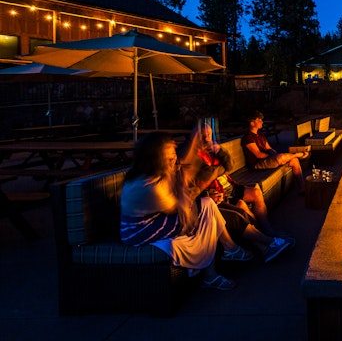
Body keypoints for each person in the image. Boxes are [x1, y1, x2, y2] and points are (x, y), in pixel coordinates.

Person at [119, 132, 251, 291]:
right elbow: (180, 208)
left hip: (155, 219)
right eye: (170, 157)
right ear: (155, 158)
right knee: (205, 212)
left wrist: (193, 150)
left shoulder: (150, 173)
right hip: (139, 231)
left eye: (174, 155)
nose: (174, 160)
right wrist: (189, 179)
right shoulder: (148, 187)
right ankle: (220, 262)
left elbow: (187, 174)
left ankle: (226, 254)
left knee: (208, 205)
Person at [180, 120, 293, 263]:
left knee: (255, 193)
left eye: (209, 134)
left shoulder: (210, 148)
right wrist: (219, 169)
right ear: (193, 136)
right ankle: (267, 243)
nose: (207, 138)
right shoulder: (190, 154)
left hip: (226, 186)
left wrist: (219, 151)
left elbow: (229, 164)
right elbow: (206, 177)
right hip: (214, 193)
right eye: (203, 135)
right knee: (240, 207)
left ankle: (268, 236)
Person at [241, 110, 310, 193]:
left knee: (294, 161)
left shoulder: (260, 135)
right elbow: (258, 154)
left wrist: (276, 155)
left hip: (268, 159)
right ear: (252, 123)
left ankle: (302, 188)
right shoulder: (248, 137)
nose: (261, 122)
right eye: (259, 120)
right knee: (281, 157)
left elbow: (269, 148)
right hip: (258, 163)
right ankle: (298, 154)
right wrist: (275, 157)